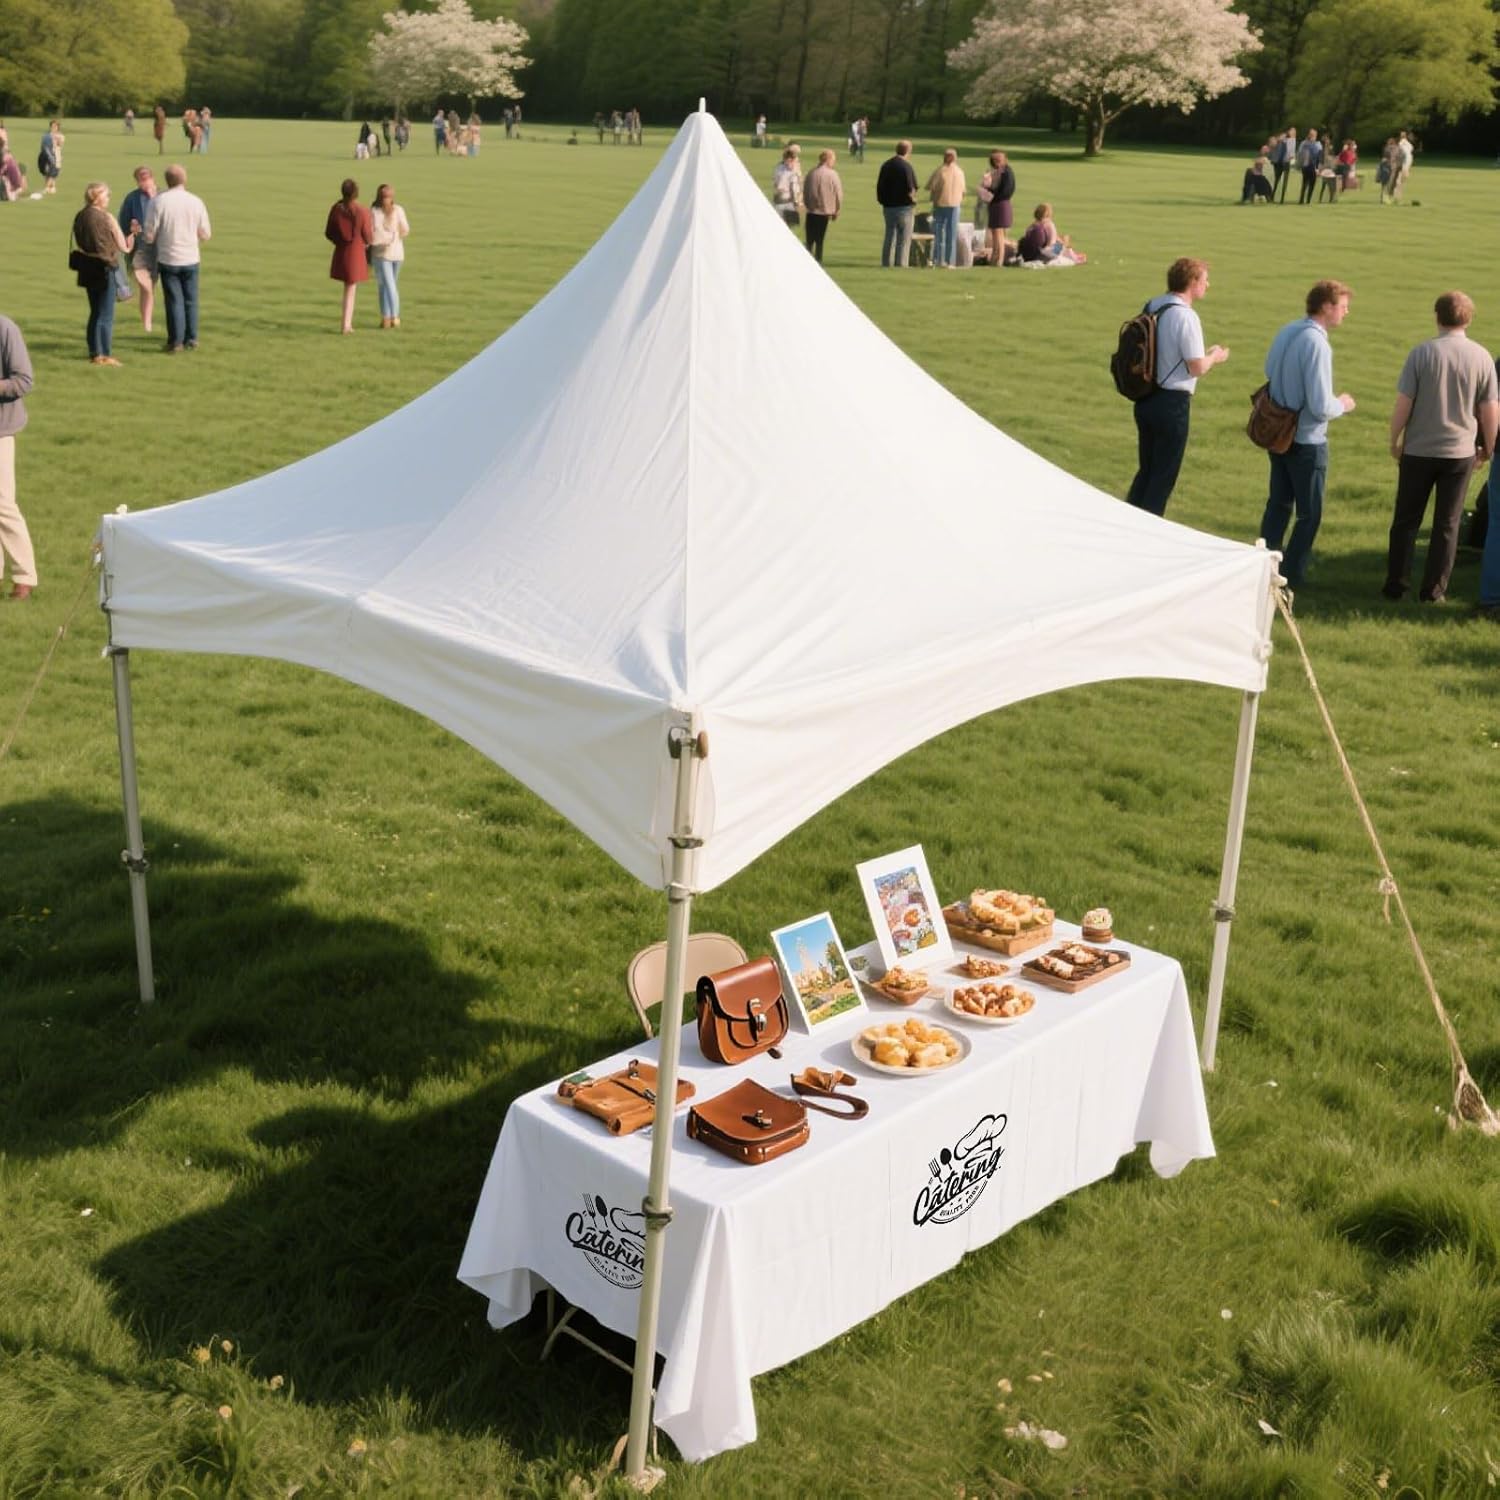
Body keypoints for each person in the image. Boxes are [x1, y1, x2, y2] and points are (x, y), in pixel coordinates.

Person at [1381, 292, 1499, 603]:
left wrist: (1395, 439)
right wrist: (1489, 446)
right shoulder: (1482, 357)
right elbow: (1489, 409)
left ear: (1437, 317)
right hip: (1459, 453)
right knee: (1447, 524)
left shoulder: (1421, 354)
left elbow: (1404, 403)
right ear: (1469, 319)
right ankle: (1433, 591)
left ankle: (1396, 585)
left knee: (1406, 520)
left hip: (1419, 450)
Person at [1257, 281, 1356, 590]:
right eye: (1342, 306)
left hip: (1278, 433)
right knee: (1309, 514)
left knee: (1278, 503)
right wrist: (1342, 404)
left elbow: (1269, 369)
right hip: (1307, 441)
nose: (1346, 312)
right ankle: (1292, 575)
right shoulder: (1317, 344)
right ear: (1326, 307)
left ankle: (1263, 565)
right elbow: (1319, 405)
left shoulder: (1288, 330)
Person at [1124, 259, 1229, 518]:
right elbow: (1196, 367)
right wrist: (1215, 356)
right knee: (1163, 477)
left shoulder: (1153, 305)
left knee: (1146, 471)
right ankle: (1149, 534)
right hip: (1172, 404)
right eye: (1204, 280)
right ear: (1192, 282)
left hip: (1145, 398)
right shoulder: (1186, 316)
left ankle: (1127, 524)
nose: (1207, 285)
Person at [144, 162, 211, 353]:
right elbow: (206, 233)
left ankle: (176, 341)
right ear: (185, 179)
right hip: (191, 257)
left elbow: (149, 235)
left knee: (174, 300)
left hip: (168, 258)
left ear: (166, 181)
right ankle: (192, 338)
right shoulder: (196, 201)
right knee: (191, 299)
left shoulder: (158, 201)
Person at [71, 182, 133, 366]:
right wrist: (129, 242)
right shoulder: (105, 217)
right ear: (97, 197)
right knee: (106, 314)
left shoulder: (81, 216)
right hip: (105, 268)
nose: (108, 198)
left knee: (95, 312)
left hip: (87, 267)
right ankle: (104, 354)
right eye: (106, 195)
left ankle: (94, 351)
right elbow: (123, 247)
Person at [0, 311, 36, 601]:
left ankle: (25, 576)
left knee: (3, 505)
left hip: (1, 431)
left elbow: (24, 381)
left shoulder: (6, 329)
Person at [325, 178, 373, 334]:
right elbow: (368, 235)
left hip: (341, 251)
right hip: (356, 253)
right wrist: (366, 243)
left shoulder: (336, 208)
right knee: (351, 288)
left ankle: (346, 324)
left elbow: (329, 232)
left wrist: (339, 241)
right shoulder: (362, 211)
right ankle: (346, 325)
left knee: (348, 288)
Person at [119, 165, 158, 334]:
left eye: (146, 179)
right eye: (140, 181)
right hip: (140, 249)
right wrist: (132, 233)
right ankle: (147, 323)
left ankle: (147, 321)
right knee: (145, 286)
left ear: (152, 179)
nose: (144, 183)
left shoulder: (163, 196)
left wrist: (153, 198)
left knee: (151, 287)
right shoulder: (132, 198)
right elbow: (127, 222)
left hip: (161, 248)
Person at [369, 182, 409, 330]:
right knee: (390, 285)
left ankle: (392, 316)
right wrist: (395, 234)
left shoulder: (375, 212)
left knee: (385, 286)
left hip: (383, 254)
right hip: (396, 253)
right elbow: (405, 230)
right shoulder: (398, 210)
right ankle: (388, 317)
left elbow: (373, 233)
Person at [876, 139, 918, 267]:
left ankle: (886, 263)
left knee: (889, 236)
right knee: (904, 239)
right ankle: (901, 263)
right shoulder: (906, 166)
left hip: (888, 207)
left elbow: (880, 186)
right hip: (904, 208)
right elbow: (911, 188)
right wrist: (914, 200)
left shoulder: (886, 165)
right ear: (908, 151)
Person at [925, 148, 965, 268]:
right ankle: (950, 261)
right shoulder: (960, 171)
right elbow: (963, 190)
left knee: (938, 233)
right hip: (955, 205)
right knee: (951, 234)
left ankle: (937, 259)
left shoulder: (940, 171)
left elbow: (931, 186)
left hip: (940, 204)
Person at [803, 148, 842, 263]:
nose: (834, 162)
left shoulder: (811, 173)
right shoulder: (833, 174)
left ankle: (806, 262)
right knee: (819, 240)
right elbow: (838, 194)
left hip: (811, 212)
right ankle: (818, 262)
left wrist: (807, 205)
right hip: (824, 212)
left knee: (809, 240)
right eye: (833, 160)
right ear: (828, 160)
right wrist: (837, 210)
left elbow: (805, 191)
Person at [979, 150, 1015, 265]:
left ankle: (999, 259)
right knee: (995, 232)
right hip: (996, 204)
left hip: (1000, 204)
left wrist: (990, 193)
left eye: (998, 160)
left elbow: (1005, 190)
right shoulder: (1001, 171)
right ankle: (995, 257)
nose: (996, 162)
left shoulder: (1006, 172)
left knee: (999, 233)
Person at [771, 145, 802, 229]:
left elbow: (774, 182)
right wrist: (797, 203)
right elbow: (794, 189)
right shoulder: (793, 172)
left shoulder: (778, 167)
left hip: (778, 199)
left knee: (779, 226)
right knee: (788, 227)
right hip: (788, 201)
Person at [1296, 129, 1323, 204]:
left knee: (1307, 183)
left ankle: (1305, 200)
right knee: (1308, 183)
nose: (1313, 136)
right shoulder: (1316, 144)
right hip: (1309, 166)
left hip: (1308, 166)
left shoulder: (1305, 143)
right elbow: (1319, 157)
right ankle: (1305, 200)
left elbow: (1319, 157)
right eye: (1312, 134)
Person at [1388, 130, 1414, 203]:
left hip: (1404, 165)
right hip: (1403, 165)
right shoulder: (1405, 145)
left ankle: (1395, 197)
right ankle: (1396, 197)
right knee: (1399, 182)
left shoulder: (1405, 145)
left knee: (1398, 182)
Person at [38, 121, 62, 195]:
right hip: (48, 155)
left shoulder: (59, 136)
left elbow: (59, 144)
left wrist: (55, 138)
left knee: (53, 173)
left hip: (56, 156)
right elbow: (43, 145)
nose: (53, 128)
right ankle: (51, 188)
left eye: (55, 126)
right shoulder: (46, 136)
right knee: (48, 172)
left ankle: (46, 188)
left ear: (58, 127)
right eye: (52, 126)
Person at [1273, 128, 1295, 202]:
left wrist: (1291, 157)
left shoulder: (1292, 141)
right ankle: (1272, 195)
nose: (1292, 133)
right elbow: (1275, 142)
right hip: (1279, 162)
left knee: (1285, 181)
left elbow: (1292, 153)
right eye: (1291, 131)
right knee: (1277, 180)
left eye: (1294, 132)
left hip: (1286, 163)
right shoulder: (1283, 138)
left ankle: (1282, 199)